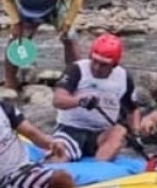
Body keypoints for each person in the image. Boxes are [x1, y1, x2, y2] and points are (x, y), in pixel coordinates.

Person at [2, 0, 84, 90]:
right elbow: (7, 0)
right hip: (28, 12)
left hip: (54, 10)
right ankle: (10, 82)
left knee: (70, 39)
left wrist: (68, 22)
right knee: (14, 41)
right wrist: (15, 22)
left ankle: (74, 78)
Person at [51, 35, 140, 163]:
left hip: (101, 134)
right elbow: (58, 100)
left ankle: (98, 168)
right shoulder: (76, 69)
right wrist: (79, 101)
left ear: (114, 64)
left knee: (120, 131)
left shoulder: (124, 77)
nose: (97, 67)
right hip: (70, 130)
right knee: (59, 153)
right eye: (95, 61)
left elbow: (133, 110)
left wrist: (136, 134)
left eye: (103, 65)